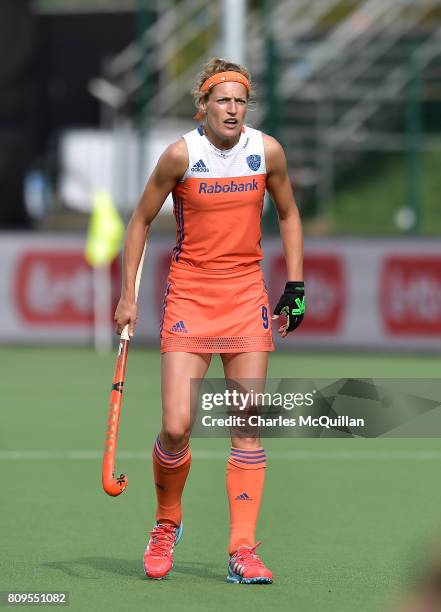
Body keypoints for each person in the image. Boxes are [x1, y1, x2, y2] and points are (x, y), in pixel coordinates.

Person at [114, 57, 305, 584]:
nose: (233, 109)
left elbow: (288, 212)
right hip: (191, 299)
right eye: (223, 100)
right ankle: (166, 521)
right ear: (203, 105)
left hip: (246, 298)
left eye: (241, 101)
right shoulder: (181, 155)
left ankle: (242, 550)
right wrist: (128, 295)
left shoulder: (266, 152)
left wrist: (296, 284)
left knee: (246, 427)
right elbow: (140, 221)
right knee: (176, 427)